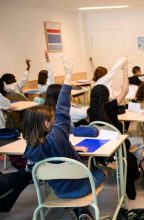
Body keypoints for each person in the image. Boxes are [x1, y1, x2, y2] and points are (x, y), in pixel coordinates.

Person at [23, 57, 107, 206]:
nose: (56, 119)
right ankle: (83, 209)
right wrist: (68, 75)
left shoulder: (30, 147)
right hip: (81, 188)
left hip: (59, 191)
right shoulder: (58, 135)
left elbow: (55, 155)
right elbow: (62, 107)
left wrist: (71, 148)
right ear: (46, 123)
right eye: (53, 118)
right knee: (103, 172)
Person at [87, 57, 140, 199]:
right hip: (118, 145)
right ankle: (134, 174)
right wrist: (125, 71)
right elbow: (126, 90)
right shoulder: (111, 106)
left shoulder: (89, 112)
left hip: (102, 147)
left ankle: (126, 167)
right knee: (139, 142)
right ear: (106, 96)